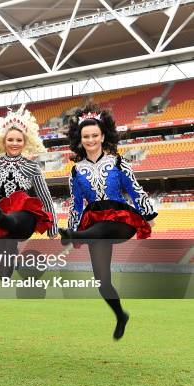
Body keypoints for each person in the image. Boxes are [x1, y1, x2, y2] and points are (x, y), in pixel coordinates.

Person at [59, 104, 157, 340]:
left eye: (95, 135)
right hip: (93, 226)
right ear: (79, 140)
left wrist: (148, 215)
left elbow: (135, 190)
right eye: (86, 137)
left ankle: (79, 236)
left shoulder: (118, 162)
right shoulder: (75, 171)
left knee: (101, 228)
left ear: (103, 136)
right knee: (102, 282)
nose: (91, 140)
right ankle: (120, 315)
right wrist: (73, 227)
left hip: (120, 219)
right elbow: (76, 204)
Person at [0, 105, 57, 279]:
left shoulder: (32, 167)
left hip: (26, 219)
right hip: (1, 224)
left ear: (26, 142)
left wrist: (53, 225)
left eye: (19, 140)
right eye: (10, 140)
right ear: (2, 141)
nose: (14, 144)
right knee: (4, 273)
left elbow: (45, 197)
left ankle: (4, 219)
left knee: (15, 218)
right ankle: (10, 254)